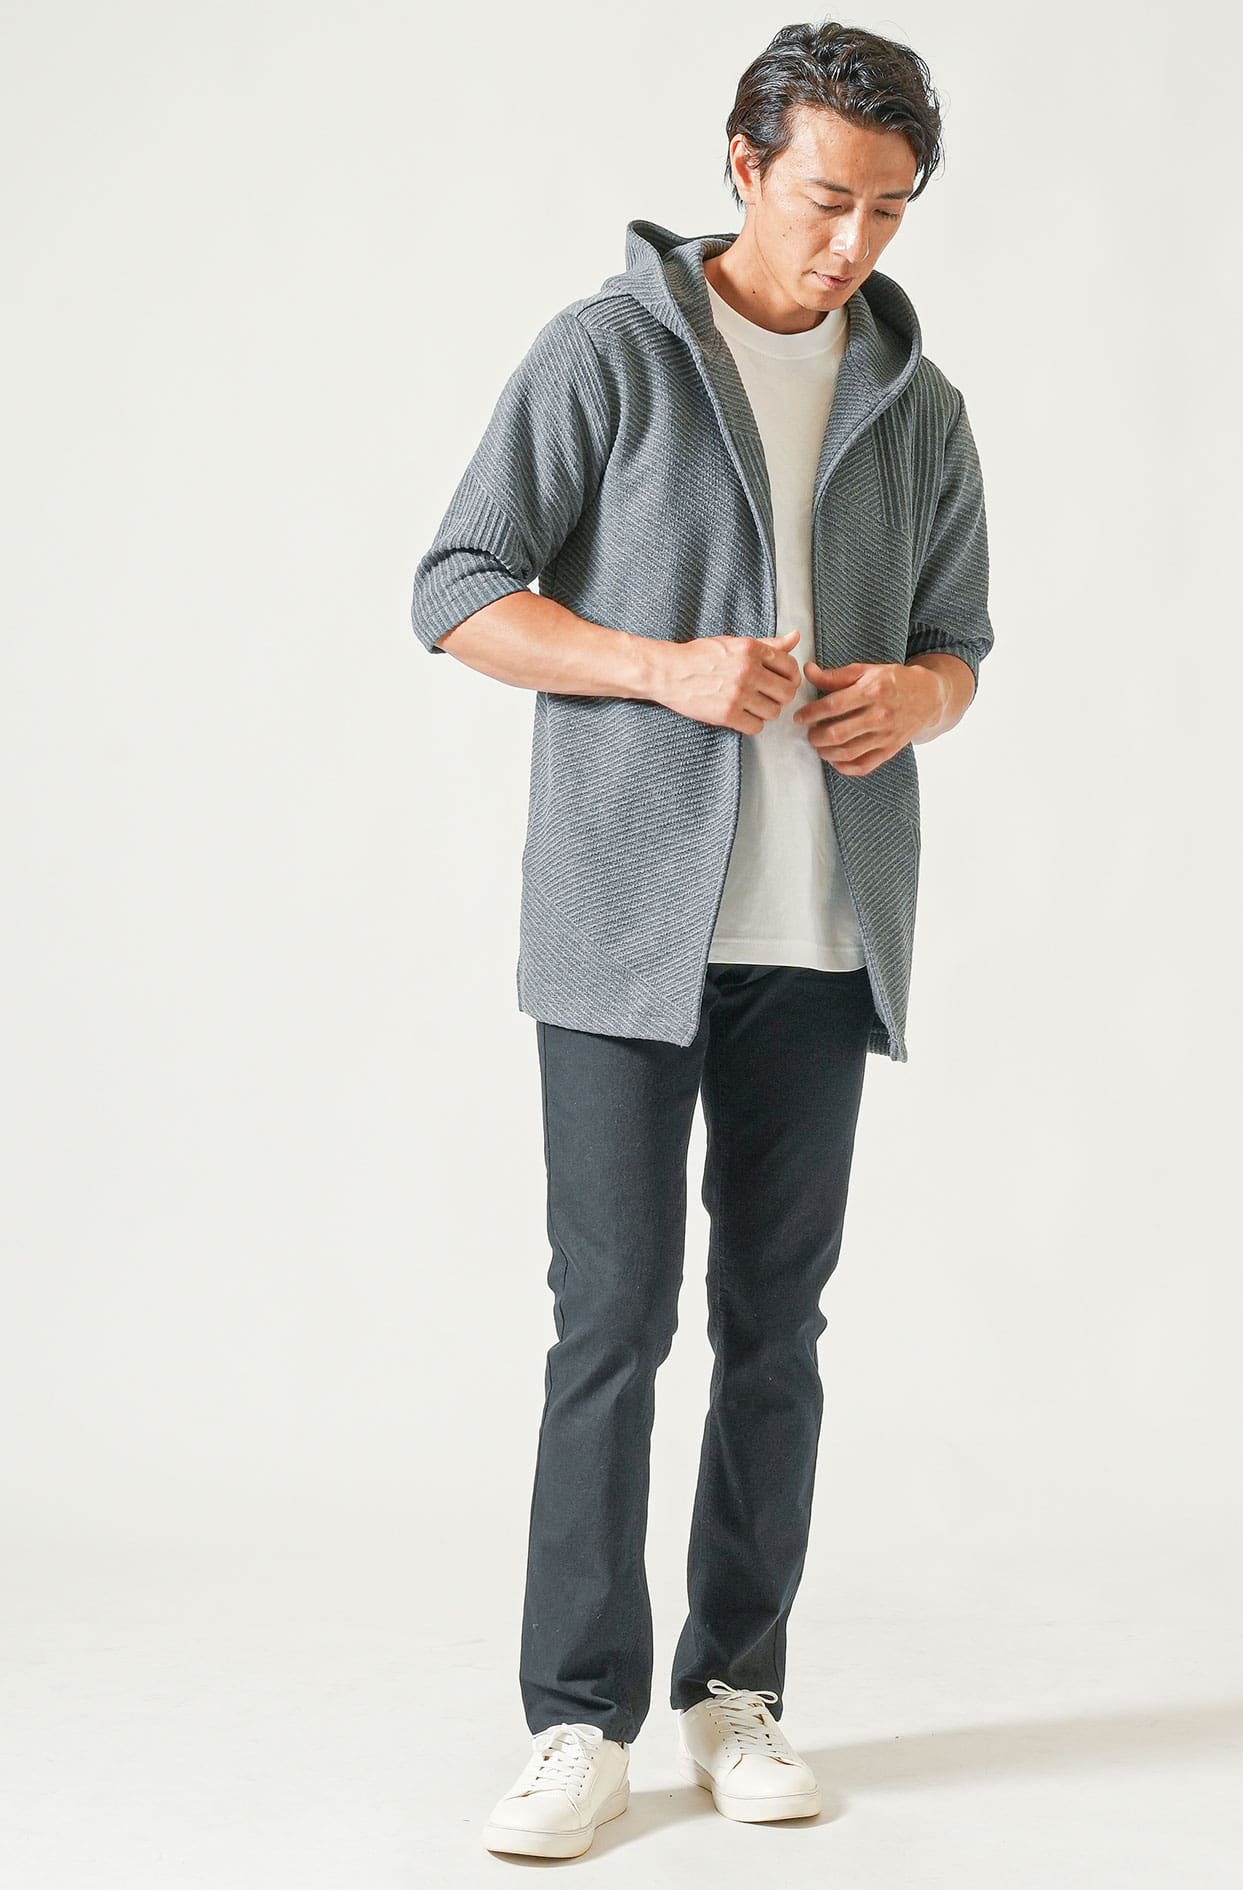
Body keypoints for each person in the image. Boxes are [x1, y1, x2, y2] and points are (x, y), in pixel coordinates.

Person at [410, 19, 993, 1861]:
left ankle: (737, 1687)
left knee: (774, 1329)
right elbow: (456, 588)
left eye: (889, 210)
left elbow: (964, 646)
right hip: (622, 924)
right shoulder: (608, 353)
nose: (853, 243)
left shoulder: (922, 402)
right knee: (611, 1321)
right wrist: (656, 667)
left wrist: (914, 695)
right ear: (744, 165)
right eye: (826, 199)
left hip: (822, 929)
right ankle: (574, 1717)